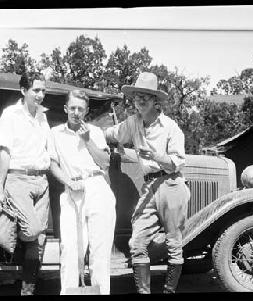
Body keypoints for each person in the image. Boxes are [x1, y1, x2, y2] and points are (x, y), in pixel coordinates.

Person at [105, 72, 190, 294]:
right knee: (137, 242)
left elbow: (176, 163)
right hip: (149, 186)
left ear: (156, 101)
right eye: (137, 97)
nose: (140, 101)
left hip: (171, 183)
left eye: (145, 96)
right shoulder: (133, 123)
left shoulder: (170, 127)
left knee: (174, 244)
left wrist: (154, 156)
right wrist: (90, 133)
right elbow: (114, 133)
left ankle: (169, 291)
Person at [48, 89, 116, 295]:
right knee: (69, 250)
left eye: (81, 109)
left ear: (86, 111)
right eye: (73, 108)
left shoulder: (94, 132)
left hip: (97, 188)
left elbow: (105, 163)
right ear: (66, 109)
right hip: (71, 190)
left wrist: (87, 140)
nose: (76, 112)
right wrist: (68, 181)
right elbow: (52, 164)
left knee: (99, 252)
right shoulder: (55, 133)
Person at [0, 73, 51, 296]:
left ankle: (28, 290)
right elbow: (5, 152)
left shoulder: (43, 117)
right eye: (36, 90)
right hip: (18, 179)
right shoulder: (11, 114)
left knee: (39, 240)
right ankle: (15, 235)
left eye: (43, 90)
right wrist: (0, 188)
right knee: (34, 230)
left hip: (42, 181)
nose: (40, 95)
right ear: (23, 91)